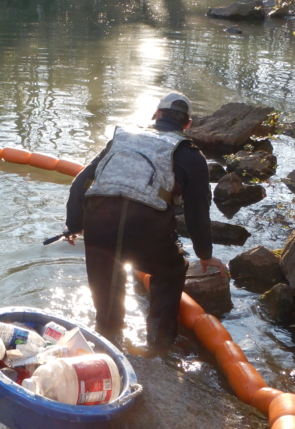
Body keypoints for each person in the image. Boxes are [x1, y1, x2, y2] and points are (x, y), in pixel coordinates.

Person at [64, 92, 227, 352]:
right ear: (187, 124)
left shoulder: (121, 139)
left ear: (156, 114)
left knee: (107, 282)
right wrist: (204, 254)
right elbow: (197, 211)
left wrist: (74, 225)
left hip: (98, 223)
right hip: (145, 229)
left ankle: (106, 339)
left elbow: (79, 184)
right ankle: (159, 345)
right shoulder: (192, 155)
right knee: (171, 271)